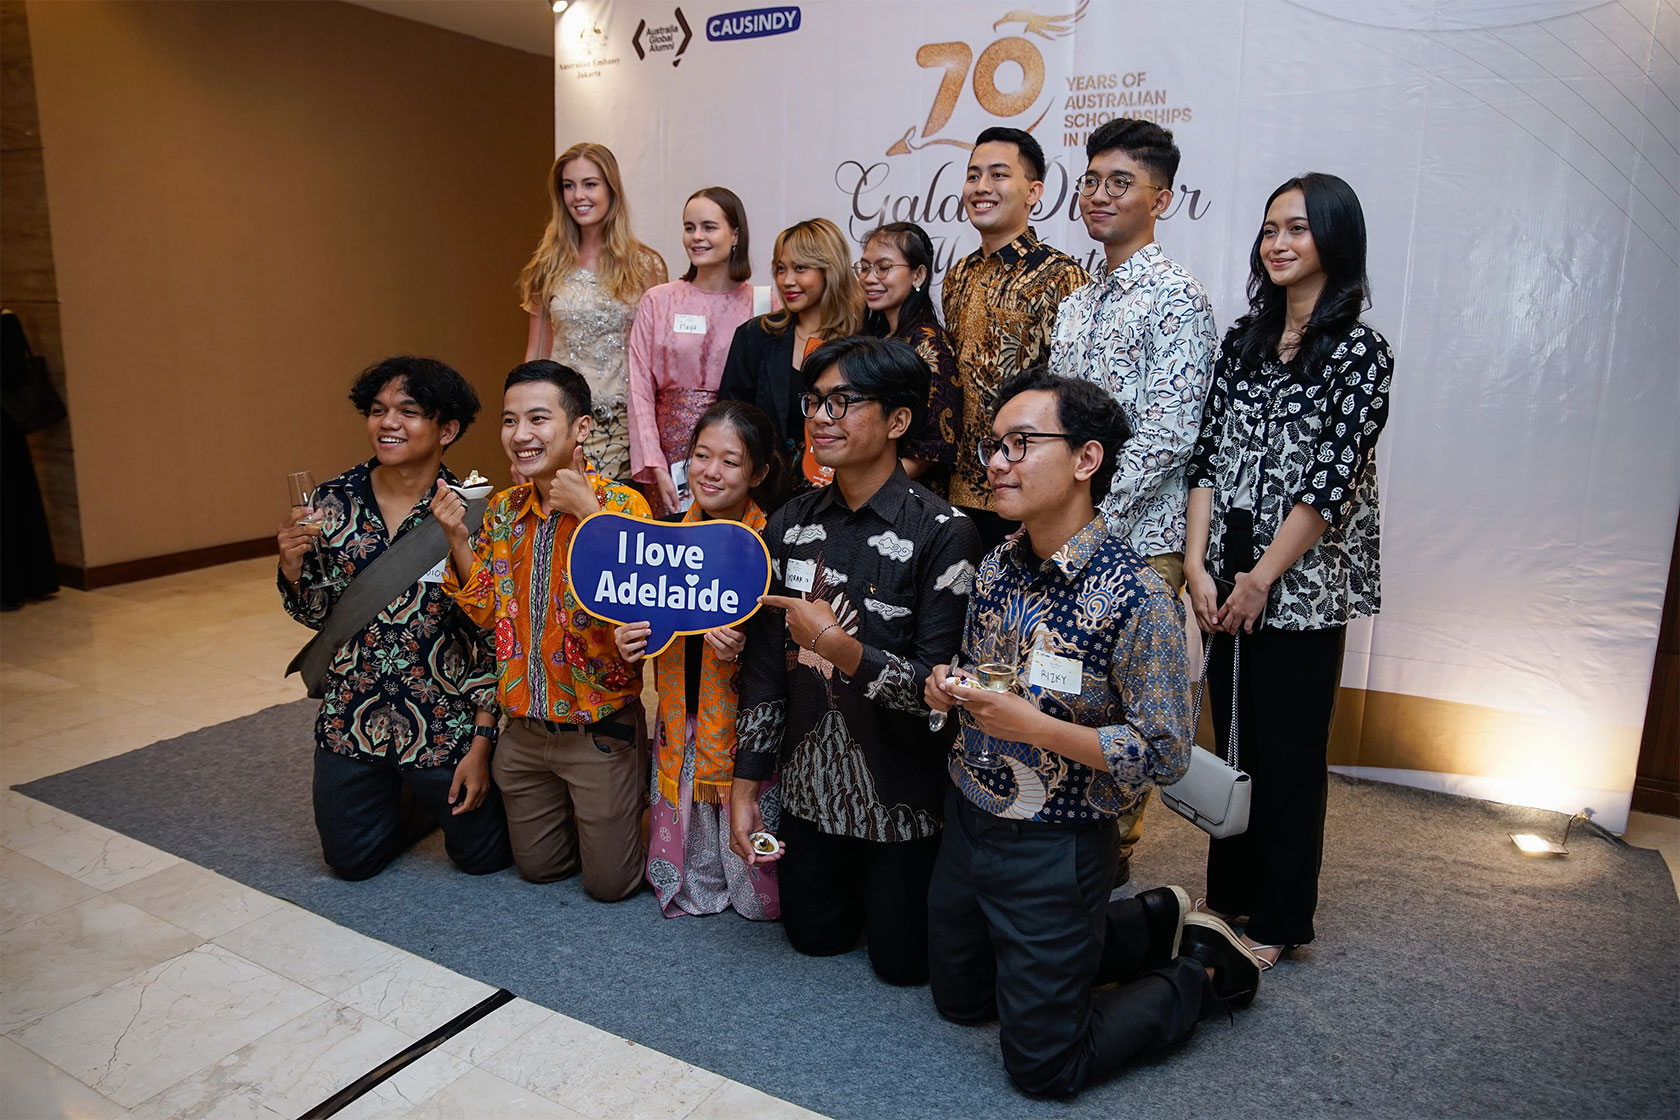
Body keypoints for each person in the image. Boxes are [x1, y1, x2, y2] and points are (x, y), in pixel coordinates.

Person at [924, 368, 1263, 1097]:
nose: (997, 462)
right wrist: (948, 686)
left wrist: (1039, 729)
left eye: (1020, 444)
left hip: (1059, 841)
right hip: (970, 822)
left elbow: (1165, 751)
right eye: (993, 446)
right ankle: (1148, 920)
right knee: (959, 1004)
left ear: (1087, 460)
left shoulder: (1138, 594)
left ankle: (1198, 975)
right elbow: (989, 675)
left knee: (1045, 1067)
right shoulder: (996, 566)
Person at [1184, 173, 1393, 968]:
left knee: (1289, 750)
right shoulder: (1242, 341)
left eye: (1298, 229)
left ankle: (1276, 917)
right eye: (1271, 227)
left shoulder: (1361, 353)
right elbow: (1204, 459)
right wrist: (1201, 566)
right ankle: (1227, 895)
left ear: (1333, 241)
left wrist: (1262, 577)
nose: (1278, 242)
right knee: (1231, 738)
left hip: (1298, 582)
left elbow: (1327, 482)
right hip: (1226, 565)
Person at [731, 336, 982, 985]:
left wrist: (837, 648)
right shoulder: (787, 523)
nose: (820, 417)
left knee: (905, 967)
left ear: (898, 420)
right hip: (811, 797)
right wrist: (745, 785)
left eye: (843, 402)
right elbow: (764, 667)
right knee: (813, 941)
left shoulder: (943, 532)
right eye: (815, 401)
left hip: (902, 803)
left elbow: (937, 691)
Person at [1048, 117, 1218, 882]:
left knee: (1130, 715)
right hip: (1064, 532)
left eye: (1121, 182)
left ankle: (1109, 870)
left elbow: (1171, 432)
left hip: (1138, 539)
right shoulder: (1076, 305)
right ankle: (1060, 850)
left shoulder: (1178, 299)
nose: (1100, 194)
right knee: (1063, 694)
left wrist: (1096, 522)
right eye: (1091, 179)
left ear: (1162, 198)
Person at [277, 356, 511, 881]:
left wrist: (482, 740)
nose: (388, 422)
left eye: (408, 411)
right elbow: (317, 614)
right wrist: (293, 569)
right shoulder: (332, 502)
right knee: (350, 863)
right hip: (353, 713)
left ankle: (419, 788)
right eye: (378, 410)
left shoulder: (477, 512)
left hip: (440, 717)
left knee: (482, 857)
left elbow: (495, 635)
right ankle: (405, 795)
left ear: (446, 429)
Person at [436, 360, 653, 901]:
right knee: (540, 869)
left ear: (580, 429)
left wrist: (588, 515)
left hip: (598, 733)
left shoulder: (624, 505)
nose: (521, 435)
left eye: (538, 418)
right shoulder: (505, 509)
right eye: (510, 421)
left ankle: (649, 813)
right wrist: (458, 538)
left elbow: (641, 605)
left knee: (611, 886)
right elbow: (487, 612)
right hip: (525, 734)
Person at [614, 400, 783, 918]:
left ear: (758, 471)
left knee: (759, 900)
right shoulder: (662, 536)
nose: (711, 471)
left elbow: (788, 649)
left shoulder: (773, 542)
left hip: (747, 723)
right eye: (701, 455)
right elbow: (645, 623)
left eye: (730, 461)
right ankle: (694, 882)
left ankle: (756, 890)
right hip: (678, 712)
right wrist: (630, 642)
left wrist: (745, 646)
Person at [942, 127, 1089, 549]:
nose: (982, 187)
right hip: (953, 494)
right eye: (973, 176)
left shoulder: (1062, 276)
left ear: (1033, 191)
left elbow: (1070, 393)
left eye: (998, 175)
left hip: (1021, 496)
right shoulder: (958, 275)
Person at [518, 142, 667, 483]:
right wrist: (524, 430)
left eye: (590, 184)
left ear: (611, 189)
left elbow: (655, 360)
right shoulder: (546, 265)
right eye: (568, 186)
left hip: (622, 424)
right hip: (561, 424)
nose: (578, 196)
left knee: (611, 526)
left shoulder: (646, 265)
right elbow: (536, 354)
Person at [627, 187, 758, 517]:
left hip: (733, 451)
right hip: (667, 451)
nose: (697, 237)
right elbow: (639, 389)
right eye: (689, 227)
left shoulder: (761, 303)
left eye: (709, 227)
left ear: (735, 234)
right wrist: (653, 463)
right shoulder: (659, 300)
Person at [717, 217, 864, 493]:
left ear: (829, 270)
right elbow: (730, 421)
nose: (787, 280)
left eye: (800, 268)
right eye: (781, 269)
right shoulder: (755, 336)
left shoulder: (864, 340)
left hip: (844, 497)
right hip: (769, 498)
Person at [856, 222, 962, 497]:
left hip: (906, 498)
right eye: (865, 267)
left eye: (883, 267)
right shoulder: (873, 337)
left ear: (918, 275)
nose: (869, 278)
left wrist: (874, 487)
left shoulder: (928, 344)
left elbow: (933, 446)